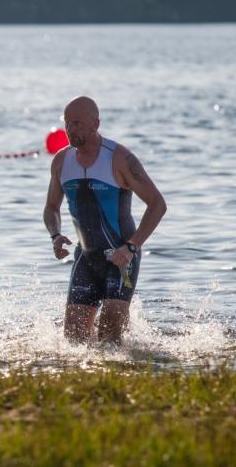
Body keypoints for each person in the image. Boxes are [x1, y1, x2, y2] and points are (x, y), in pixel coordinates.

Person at [44, 96, 166, 344]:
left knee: (111, 337)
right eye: (67, 123)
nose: (70, 130)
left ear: (95, 124)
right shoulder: (61, 161)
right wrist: (55, 235)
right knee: (74, 342)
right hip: (86, 257)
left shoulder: (119, 158)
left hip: (121, 257)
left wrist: (132, 247)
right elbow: (51, 207)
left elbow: (157, 205)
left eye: (77, 123)